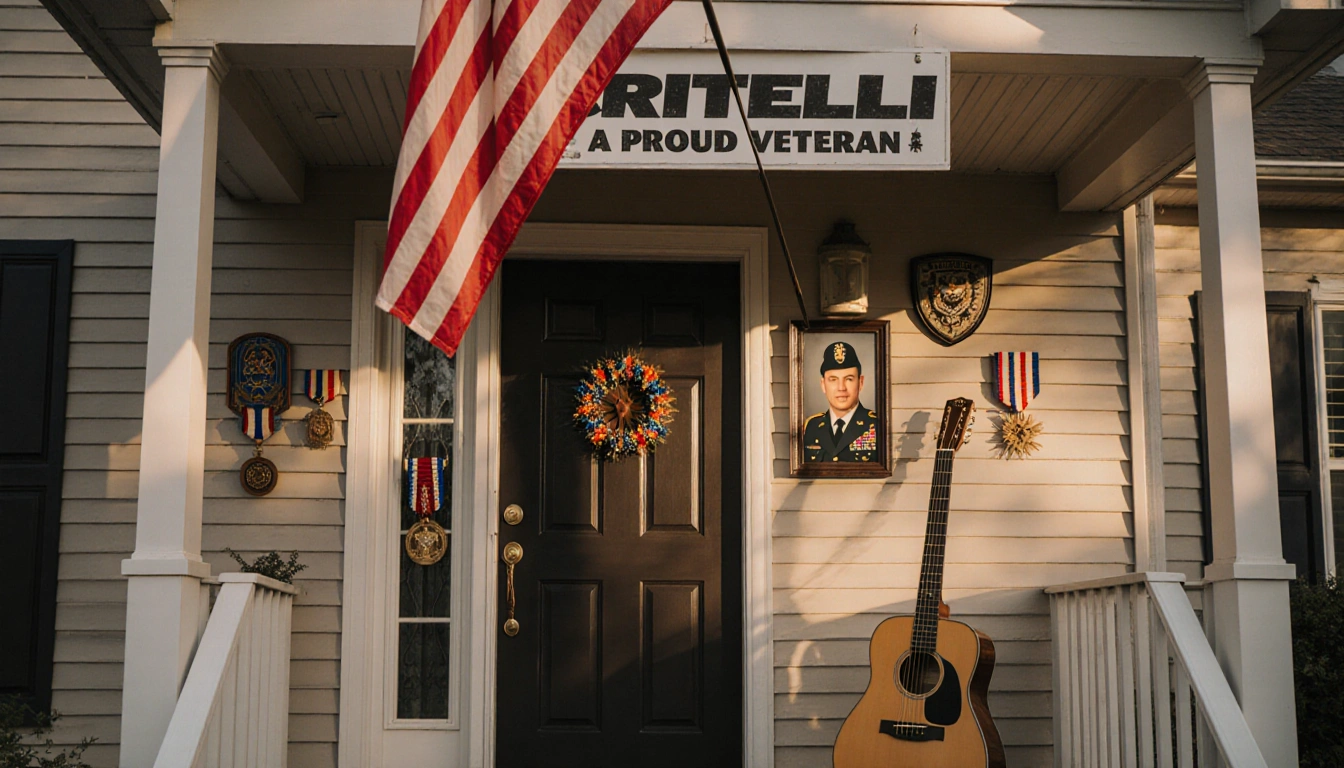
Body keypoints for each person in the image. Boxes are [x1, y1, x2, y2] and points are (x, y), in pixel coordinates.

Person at [803, 341, 881, 462]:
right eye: (833, 380)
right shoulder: (811, 427)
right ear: (823, 385)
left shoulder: (877, 425)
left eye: (849, 379)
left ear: (860, 382)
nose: (841, 388)